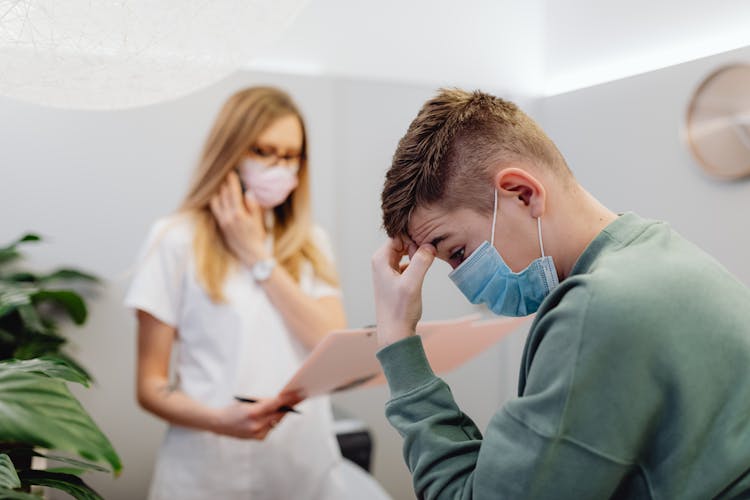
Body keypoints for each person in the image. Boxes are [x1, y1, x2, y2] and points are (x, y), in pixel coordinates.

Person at [371, 88, 750, 499]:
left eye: (458, 253)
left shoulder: (599, 310)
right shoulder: (664, 255)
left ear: (522, 193)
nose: (468, 287)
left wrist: (399, 344)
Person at [125, 86, 356, 499]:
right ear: (231, 152)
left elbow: (328, 343)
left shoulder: (311, 242)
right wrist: (218, 420)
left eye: (290, 156)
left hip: (304, 468)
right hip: (207, 473)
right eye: (264, 151)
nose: (279, 166)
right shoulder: (175, 239)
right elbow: (150, 385)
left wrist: (258, 258)